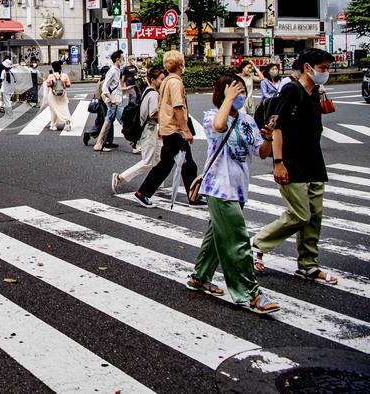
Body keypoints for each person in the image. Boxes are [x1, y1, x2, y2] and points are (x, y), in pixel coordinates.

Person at [186, 73, 279, 314]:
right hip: (220, 188)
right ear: (223, 93)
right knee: (237, 241)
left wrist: (268, 135)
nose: (239, 96)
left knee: (216, 238)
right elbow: (219, 126)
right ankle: (250, 293)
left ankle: (200, 277)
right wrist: (227, 100)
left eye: (241, 92)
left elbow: (261, 151)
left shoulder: (247, 120)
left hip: (239, 187)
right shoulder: (212, 116)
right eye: (234, 91)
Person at [251, 48, 339, 285]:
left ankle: (309, 265)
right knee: (300, 213)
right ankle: (258, 243)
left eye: (328, 68)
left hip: (314, 161)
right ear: (308, 67)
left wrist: (321, 96)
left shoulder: (313, 92)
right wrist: (278, 163)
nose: (326, 72)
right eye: (323, 68)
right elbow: (277, 127)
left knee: (314, 217)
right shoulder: (291, 89)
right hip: (291, 161)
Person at [133, 51, 202, 208]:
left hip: (168, 128)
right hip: (175, 129)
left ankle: (143, 193)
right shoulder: (176, 82)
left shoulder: (166, 81)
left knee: (171, 163)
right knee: (187, 164)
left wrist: (162, 126)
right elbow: (177, 107)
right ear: (180, 65)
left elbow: (162, 106)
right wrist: (186, 130)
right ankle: (193, 197)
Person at [112, 69, 164, 192]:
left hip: (151, 130)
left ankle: (156, 184)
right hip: (149, 130)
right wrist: (167, 115)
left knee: (158, 160)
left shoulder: (148, 90)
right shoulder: (153, 94)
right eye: (161, 79)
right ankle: (120, 177)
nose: (163, 81)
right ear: (153, 80)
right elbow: (153, 113)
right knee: (147, 162)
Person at [93, 50, 125, 152]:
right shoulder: (112, 71)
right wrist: (112, 99)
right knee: (124, 121)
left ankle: (99, 144)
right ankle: (135, 144)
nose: (123, 60)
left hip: (116, 101)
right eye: (122, 58)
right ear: (117, 59)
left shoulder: (117, 70)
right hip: (115, 102)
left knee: (108, 122)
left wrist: (126, 89)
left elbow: (115, 87)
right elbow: (105, 87)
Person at [84, 66, 110, 146]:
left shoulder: (101, 79)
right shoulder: (105, 81)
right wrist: (108, 104)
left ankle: (108, 140)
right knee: (106, 122)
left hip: (99, 103)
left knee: (100, 122)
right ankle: (107, 141)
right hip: (103, 104)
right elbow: (103, 94)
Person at [45, 60, 72, 131]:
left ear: (53, 68)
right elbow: (68, 85)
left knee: (53, 109)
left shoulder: (51, 76)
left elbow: (48, 85)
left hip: (53, 94)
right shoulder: (64, 75)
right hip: (62, 95)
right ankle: (67, 122)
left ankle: (53, 125)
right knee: (64, 108)